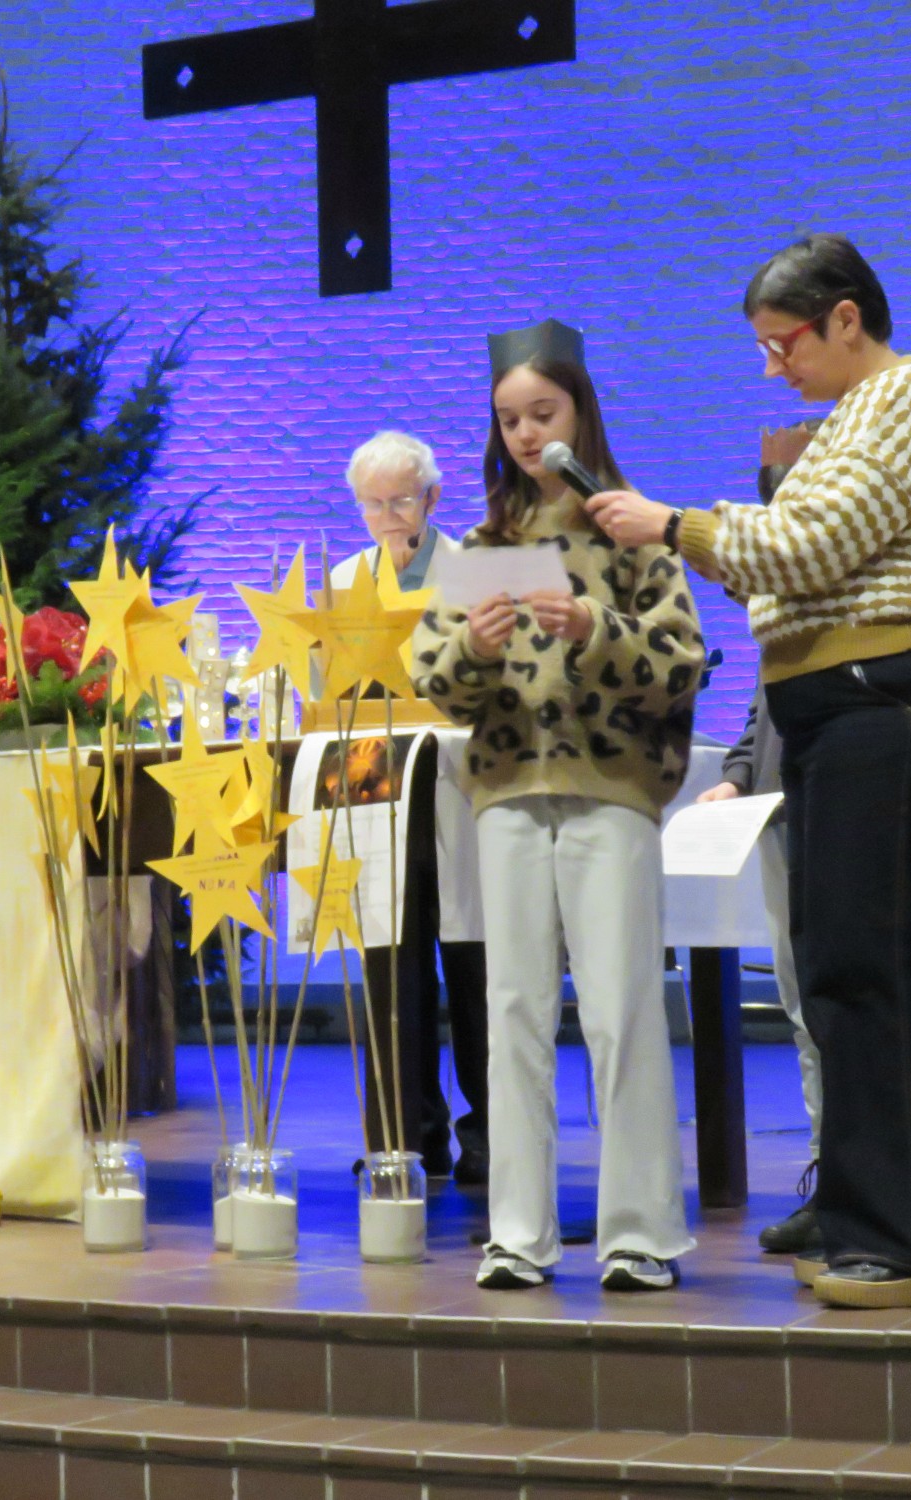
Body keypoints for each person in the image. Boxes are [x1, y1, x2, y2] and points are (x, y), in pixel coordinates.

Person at [584, 235, 911, 1309]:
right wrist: (732, 547)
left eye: (783, 344)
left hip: (891, 699)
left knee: (874, 967)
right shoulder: (845, 423)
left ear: (846, 319)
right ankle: (863, 1204)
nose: (774, 366)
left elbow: (807, 549)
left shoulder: (903, 398)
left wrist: (672, 525)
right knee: (830, 974)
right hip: (841, 707)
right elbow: (782, 584)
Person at [411, 318, 706, 1292]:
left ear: (580, 410)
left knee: (621, 1009)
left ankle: (637, 1236)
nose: (526, 435)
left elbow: (679, 664)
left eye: (542, 412)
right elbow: (431, 675)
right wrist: (475, 649)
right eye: (508, 420)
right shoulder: (485, 544)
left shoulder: (629, 529)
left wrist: (595, 625)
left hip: (608, 789)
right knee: (511, 1014)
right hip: (505, 795)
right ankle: (517, 1235)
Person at [328, 431, 490, 1185]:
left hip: (463, 782)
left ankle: (493, 1133)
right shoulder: (340, 581)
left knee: (477, 963)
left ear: (432, 497)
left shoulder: (480, 568)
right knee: (390, 963)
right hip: (374, 780)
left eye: (400, 500)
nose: (388, 518)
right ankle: (402, 1132)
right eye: (372, 504)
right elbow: (323, 692)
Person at [700, 421, 823, 1257]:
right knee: (803, 1006)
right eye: (768, 484)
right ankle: (830, 1164)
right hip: (780, 811)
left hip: (845, 806)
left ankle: (876, 1173)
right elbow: (761, 709)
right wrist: (739, 776)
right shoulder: (779, 597)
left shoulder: (842, 573)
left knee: (847, 1001)